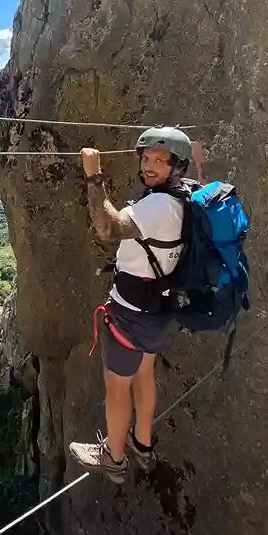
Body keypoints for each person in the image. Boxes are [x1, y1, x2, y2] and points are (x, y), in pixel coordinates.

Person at [69, 127, 205, 483]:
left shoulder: (158, 205)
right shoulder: (186, 194)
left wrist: (93, 175)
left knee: (117, 387)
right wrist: (200, 161)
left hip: (130, 313)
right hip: (158, 311)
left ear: (176, 166)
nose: (149, 166)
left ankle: (113, 458)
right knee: (144, 373)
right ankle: (141, 445)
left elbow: (107, 227)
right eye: (146, 158)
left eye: (160, 161)